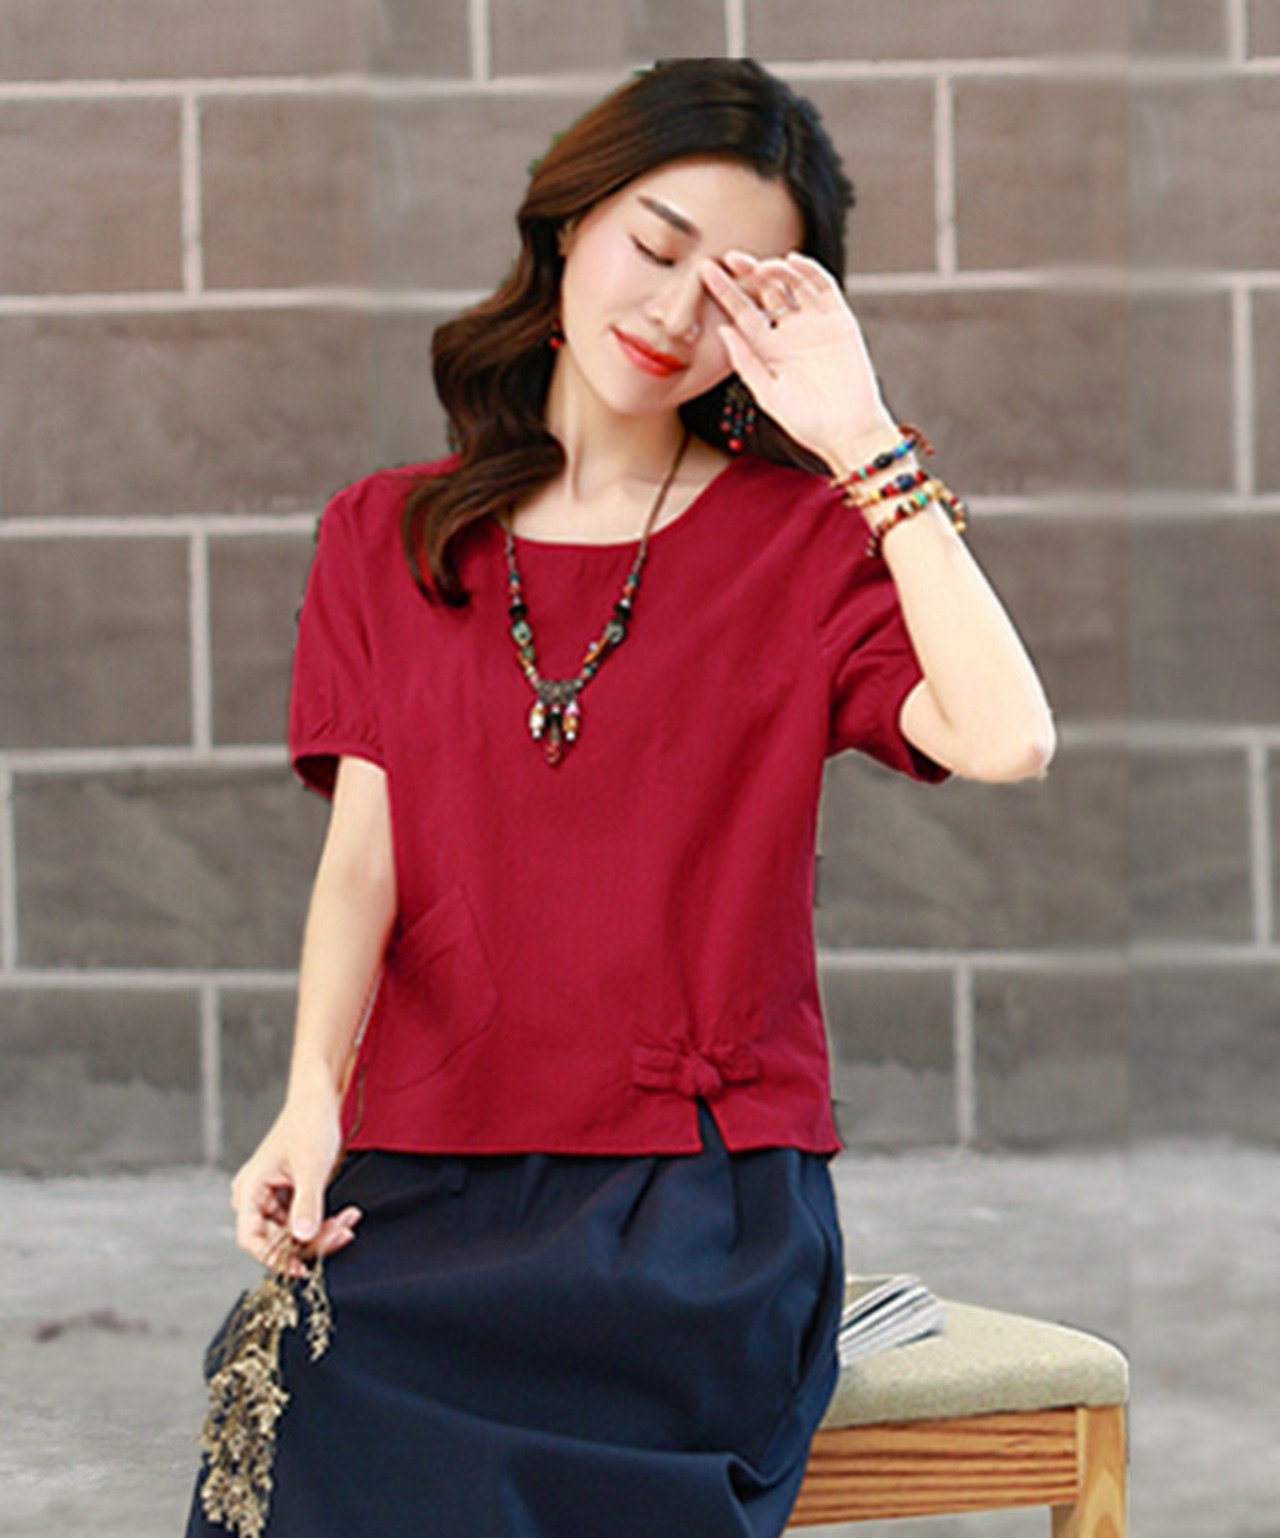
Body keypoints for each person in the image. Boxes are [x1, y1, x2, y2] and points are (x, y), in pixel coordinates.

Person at [184, 57, 1054, 1538]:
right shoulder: (386, 535)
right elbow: (364, 864)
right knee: (286, 1399)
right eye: (655, 248)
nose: (671, 315)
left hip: (696, 1214)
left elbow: (1009, 736)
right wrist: (307, 1102)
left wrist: (866, 444)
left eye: (730, 294)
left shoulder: (806, 542)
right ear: (569, 221)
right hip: (426, 1169)